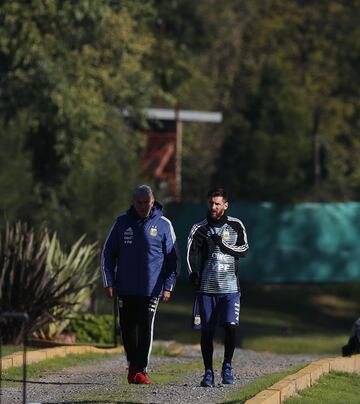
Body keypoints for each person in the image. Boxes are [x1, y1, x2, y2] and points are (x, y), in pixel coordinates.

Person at [101, 185, 180, 385]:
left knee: (145, 328)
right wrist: (108, 281)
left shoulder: (163, 224)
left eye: (147, 202)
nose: (143, 206)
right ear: (133, 202)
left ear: (153, 202)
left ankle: (140, 370)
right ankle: (133, 368)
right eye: (139, 202)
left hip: (151, 288)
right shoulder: (121, 223)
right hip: (125, 287)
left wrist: (168, 285)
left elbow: (173, 259)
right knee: (127, 330)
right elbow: (107, 254)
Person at [187, 188, 249, 387]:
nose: (213, 207)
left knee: (230, 328)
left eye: (217, 203)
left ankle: (227, 366)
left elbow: (244, 250)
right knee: (207, 331)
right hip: (207, 288)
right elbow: (190, 253)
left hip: (230, 289)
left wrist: (222, 245)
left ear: (225, 205)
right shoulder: (200, 228)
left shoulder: (236, 225)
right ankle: (207, 372)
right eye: (211, 203)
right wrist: (193, 273)